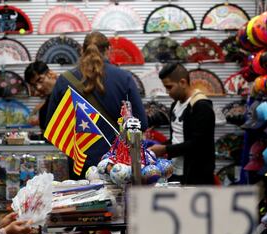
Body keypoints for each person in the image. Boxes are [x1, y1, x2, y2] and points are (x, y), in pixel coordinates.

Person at [46, 32, 148, 179]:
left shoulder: (64, 80)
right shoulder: (124, 78)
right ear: (108, 50)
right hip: (118, 165)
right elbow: (142, 123)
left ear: (82, 50)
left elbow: (52, 126)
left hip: (79, 162)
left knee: (83, 200)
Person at [149, 63, 216, 185]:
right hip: (175, 172)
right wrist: (159, 147)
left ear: (183, 82)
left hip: (195, 177)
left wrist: (164, 149)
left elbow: (199, 144)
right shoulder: (175, 105)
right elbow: (178, 138)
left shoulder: (201, 106)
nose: (167, 92)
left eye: (169, 87)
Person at [24, 61, 58, 131]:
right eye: (35, 85)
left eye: (40, 80)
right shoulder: (46, 105)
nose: (38, 87)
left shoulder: (67, 89)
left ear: (50, 74)